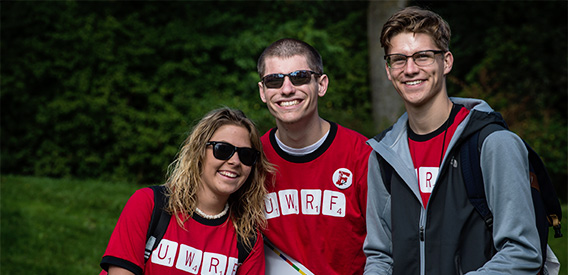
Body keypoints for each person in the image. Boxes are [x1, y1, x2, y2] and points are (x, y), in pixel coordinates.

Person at [363, 6, 542, 275]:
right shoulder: (383, 155)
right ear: (388, 70)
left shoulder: (492, 144)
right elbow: (381, 255)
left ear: (446, 62)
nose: (410, 69)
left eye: (422, 56)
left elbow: (523, 252)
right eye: (398, 59)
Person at [99, 107, 274, 275]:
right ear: (199, 152)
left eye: (246, 155)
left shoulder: (248, 240)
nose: (235, 161)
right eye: (223, 150)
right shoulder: (150, 204)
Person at [257, 38, 372, 275]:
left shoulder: (362, 154)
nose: (286, 89)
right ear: (262, 91)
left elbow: (388, 246)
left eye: (299, 77)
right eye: (274, 81)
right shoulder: (250, 159)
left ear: (321, 84)